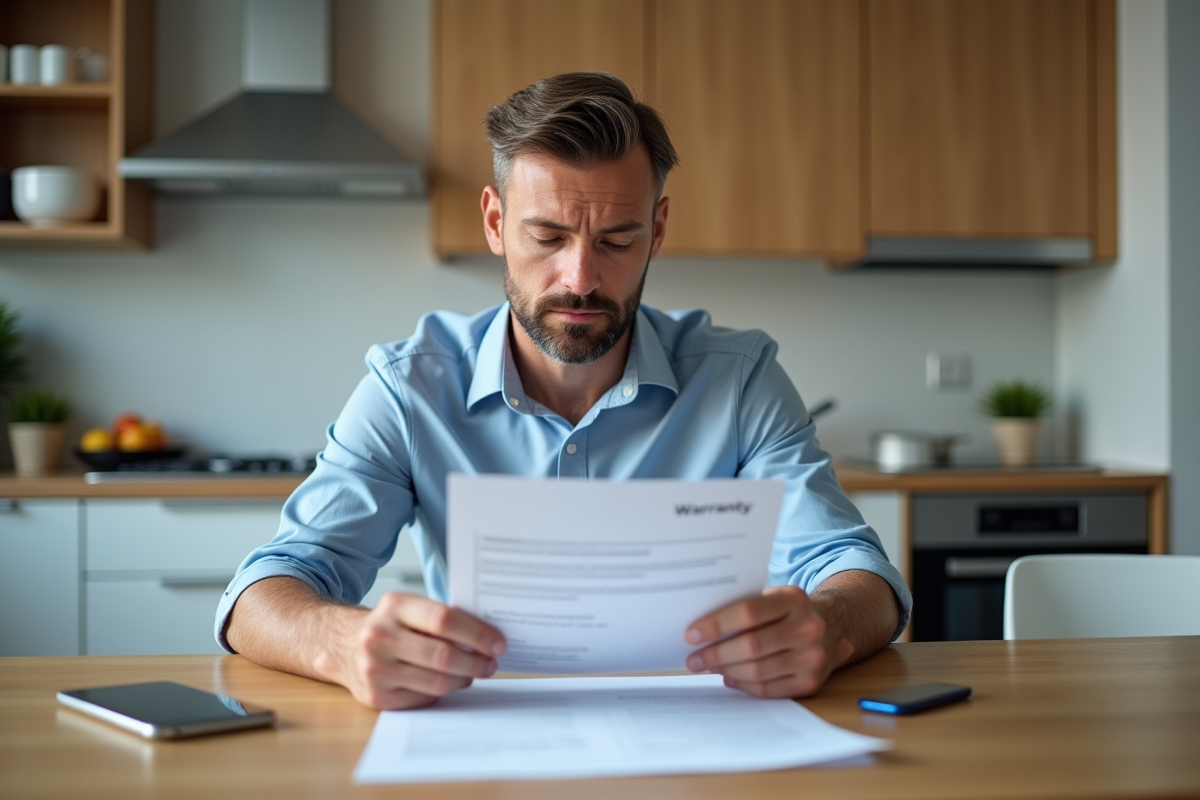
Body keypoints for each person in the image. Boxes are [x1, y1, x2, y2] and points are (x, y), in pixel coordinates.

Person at [217, 72, 912, 711]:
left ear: (657, 231)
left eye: (616, 240)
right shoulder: (409, 388)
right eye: (547, 237)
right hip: (481, 732)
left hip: (698, 734)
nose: (580, 279)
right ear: (495, 223)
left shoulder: (739, 380)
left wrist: (830, 625)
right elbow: (264, 591)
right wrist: (340, 641)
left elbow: (855, 570)